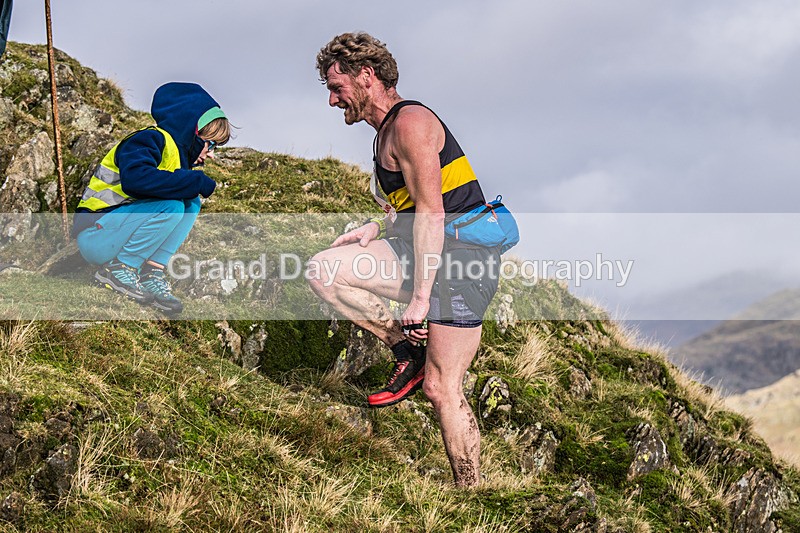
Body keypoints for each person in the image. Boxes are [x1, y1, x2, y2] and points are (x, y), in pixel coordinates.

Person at [311, 32, 500, 486]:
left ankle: (472, 491)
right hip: (423, 251)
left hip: (464, 262)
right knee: (323, 269)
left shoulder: (411, 123)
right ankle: (406, 350)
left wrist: (419, 300)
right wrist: (376, 228)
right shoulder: (383, 136)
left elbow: (433, 212)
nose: (333, 101)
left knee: (442, 388)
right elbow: (412, 210)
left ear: (366, 76)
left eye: (337, 88)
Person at [72, 82, 230, 314]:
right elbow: (135, 180)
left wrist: (190, 183)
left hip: (115, 233)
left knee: (190, 203)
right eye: (211, 144)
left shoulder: (176, 156)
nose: (211, 154)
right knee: (172, 206)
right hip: (96, 234)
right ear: (192, 130)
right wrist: (194, 181)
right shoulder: (148, 139)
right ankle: (121, 268)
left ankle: (150, 272)